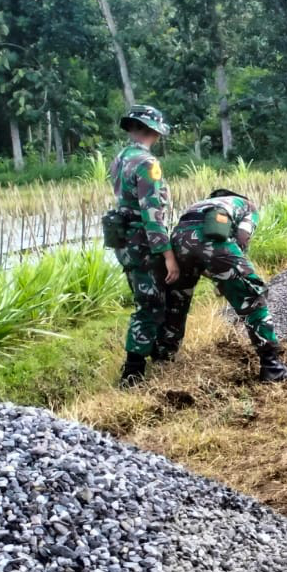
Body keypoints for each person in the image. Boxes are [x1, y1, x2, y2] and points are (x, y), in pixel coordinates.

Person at [160, 190, 287, 383]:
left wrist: (219, 276)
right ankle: (272, 367)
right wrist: (231, 275)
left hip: (178, 239)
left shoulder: (201, 204)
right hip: (211, 237)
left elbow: (195, 246)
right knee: (253, 295)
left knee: (176, 303)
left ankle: (163, 362)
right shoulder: (247, 205)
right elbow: (242, 237)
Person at [104, 105, 180, 387]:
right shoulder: (148, 164)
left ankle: (151, 359)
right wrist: (168, 255)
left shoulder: (121, 158)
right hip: (143, 244)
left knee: (143, 299)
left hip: (124, 242)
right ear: (154, 132)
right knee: (150, 305)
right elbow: (153, 216)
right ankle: (132, 375)